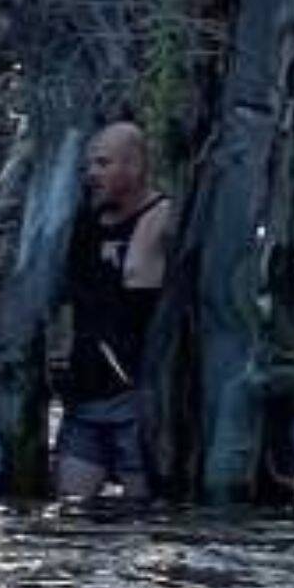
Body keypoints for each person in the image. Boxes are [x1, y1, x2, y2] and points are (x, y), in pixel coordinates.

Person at [51, 121, 174, 500]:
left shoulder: (163, 216)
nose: (92, 174)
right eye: (89, 166)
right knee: (70, 511)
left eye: (103, 164)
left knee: (142, 517)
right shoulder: (84, 223)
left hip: (136, 397)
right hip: (85, 395)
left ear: (134, 166)